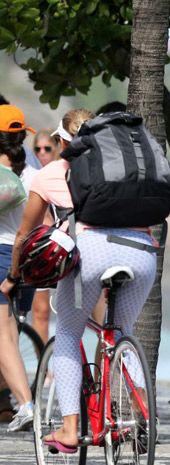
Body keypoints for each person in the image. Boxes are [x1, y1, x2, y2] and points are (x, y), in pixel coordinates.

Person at [0, 108, 158, 452]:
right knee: (120, 331)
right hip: (143, 251)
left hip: (91, 252)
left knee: (69, 333)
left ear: (62, 141)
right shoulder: (126, 166)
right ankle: (145, 413)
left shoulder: (53, 172)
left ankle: (70, 430)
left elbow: (26, 233)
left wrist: (13, 277)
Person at [0, 104, 38, 432]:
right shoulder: (35, 169)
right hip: (30, 258)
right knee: (10, 334)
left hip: (1, 253)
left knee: (3, 336)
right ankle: (12, 403)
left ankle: (25, 404)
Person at [28, 129, 61, 343]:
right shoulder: (32, 176)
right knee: (40, 311)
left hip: (62, 246)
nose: (42, 153)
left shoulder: (63, 174)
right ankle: (44, 370)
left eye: (47, 148)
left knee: (69, 314)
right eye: (37, 149)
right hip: (40, 248)